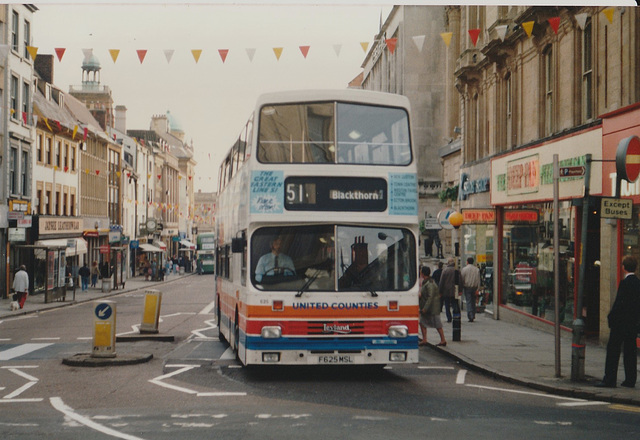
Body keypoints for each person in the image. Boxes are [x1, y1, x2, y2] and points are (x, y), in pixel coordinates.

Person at [596, 255, 640, 388]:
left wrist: (611, 318)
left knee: (613, 351)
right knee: (630, 352)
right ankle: (630, 380)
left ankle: (609, 379)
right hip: (632, 324)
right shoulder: (638, 283)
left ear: (623, 268)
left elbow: (618, 304)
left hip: (620, 324)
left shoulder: (624, 283)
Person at [419, 266, 446, 347]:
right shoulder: (427, 282)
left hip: (432, 308)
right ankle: (424, 339)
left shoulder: (429, 283)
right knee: (422, 323)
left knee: (437, 324)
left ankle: (443, 340)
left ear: (423, 273)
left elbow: (430, 297)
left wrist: (425, 308)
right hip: (429, 308)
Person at [439, 258, 462, 323]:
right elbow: (460, 281)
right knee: (455, 303)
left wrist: (440, 291)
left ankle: (449, 318)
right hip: (455, 290)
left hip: (446, 291)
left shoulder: (445, 270)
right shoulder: (457, 270)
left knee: (447, 305)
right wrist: (460, 290)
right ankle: (456, 316)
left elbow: (441, 282)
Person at [461, 257, 481, 322]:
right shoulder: (477, 269)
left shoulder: (464, 269)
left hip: (467, 287)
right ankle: (473, 314)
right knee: (473, 301)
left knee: (469, 301)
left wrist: (462, 286)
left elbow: (462, 278)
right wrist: (478, 288)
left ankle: (470, 315)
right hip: (474, 287)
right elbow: (478, 280)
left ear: (467, 262)